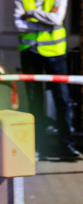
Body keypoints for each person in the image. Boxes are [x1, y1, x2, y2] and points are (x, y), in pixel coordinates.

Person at [14, 0, 82, 161]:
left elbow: (56, 19)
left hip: (54, 53)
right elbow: (19, 25)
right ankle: (39, 146)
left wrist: (31, 14)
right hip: (29, 52)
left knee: (62, 98)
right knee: (34, 100)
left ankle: (66, 146)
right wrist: (46, 22)